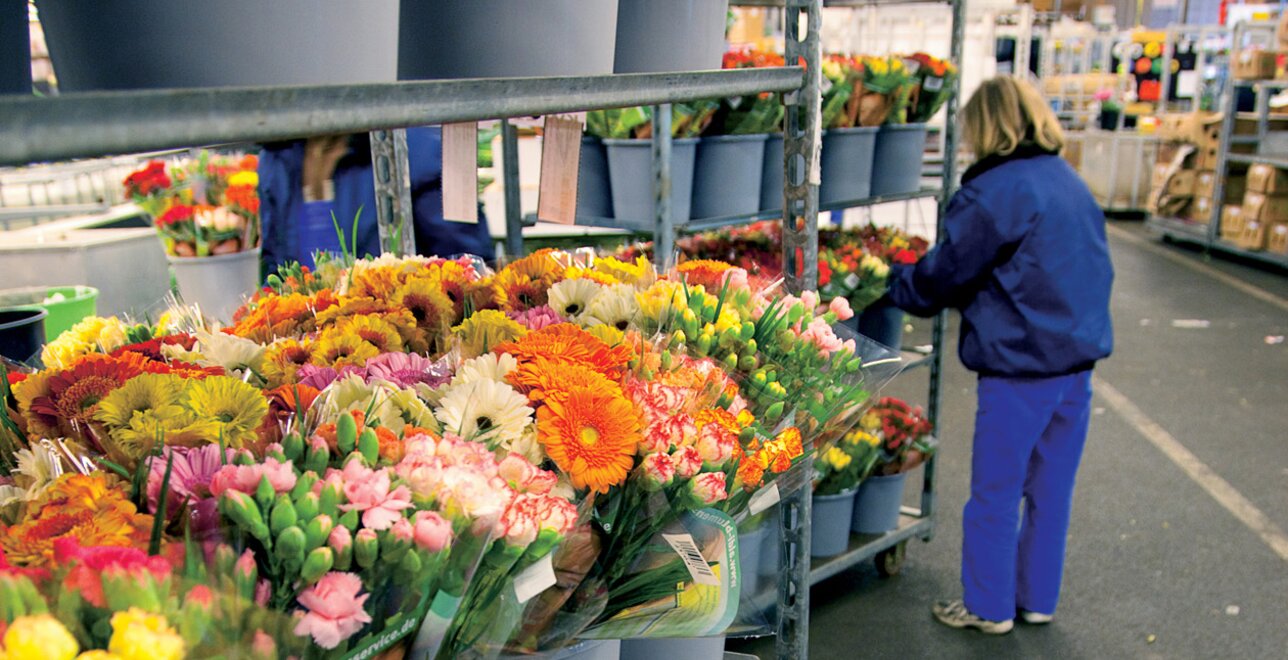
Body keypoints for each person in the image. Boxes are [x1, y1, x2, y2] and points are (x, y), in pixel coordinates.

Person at [885, 76, 1114, 634]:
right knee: (1050, 493)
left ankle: (988, 607)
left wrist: (892, 280)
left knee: (995, 493)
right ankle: (1037, 600)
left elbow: (945, 276)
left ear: (986, 126)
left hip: (1019, 368)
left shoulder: (994, 193)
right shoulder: (1068, 181)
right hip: (1075, 369)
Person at [257, 127, 495, 275]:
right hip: (307, 344)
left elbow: (469, 265)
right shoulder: (277, 159)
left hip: (399, 344)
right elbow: (275, 267)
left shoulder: (420, 151)